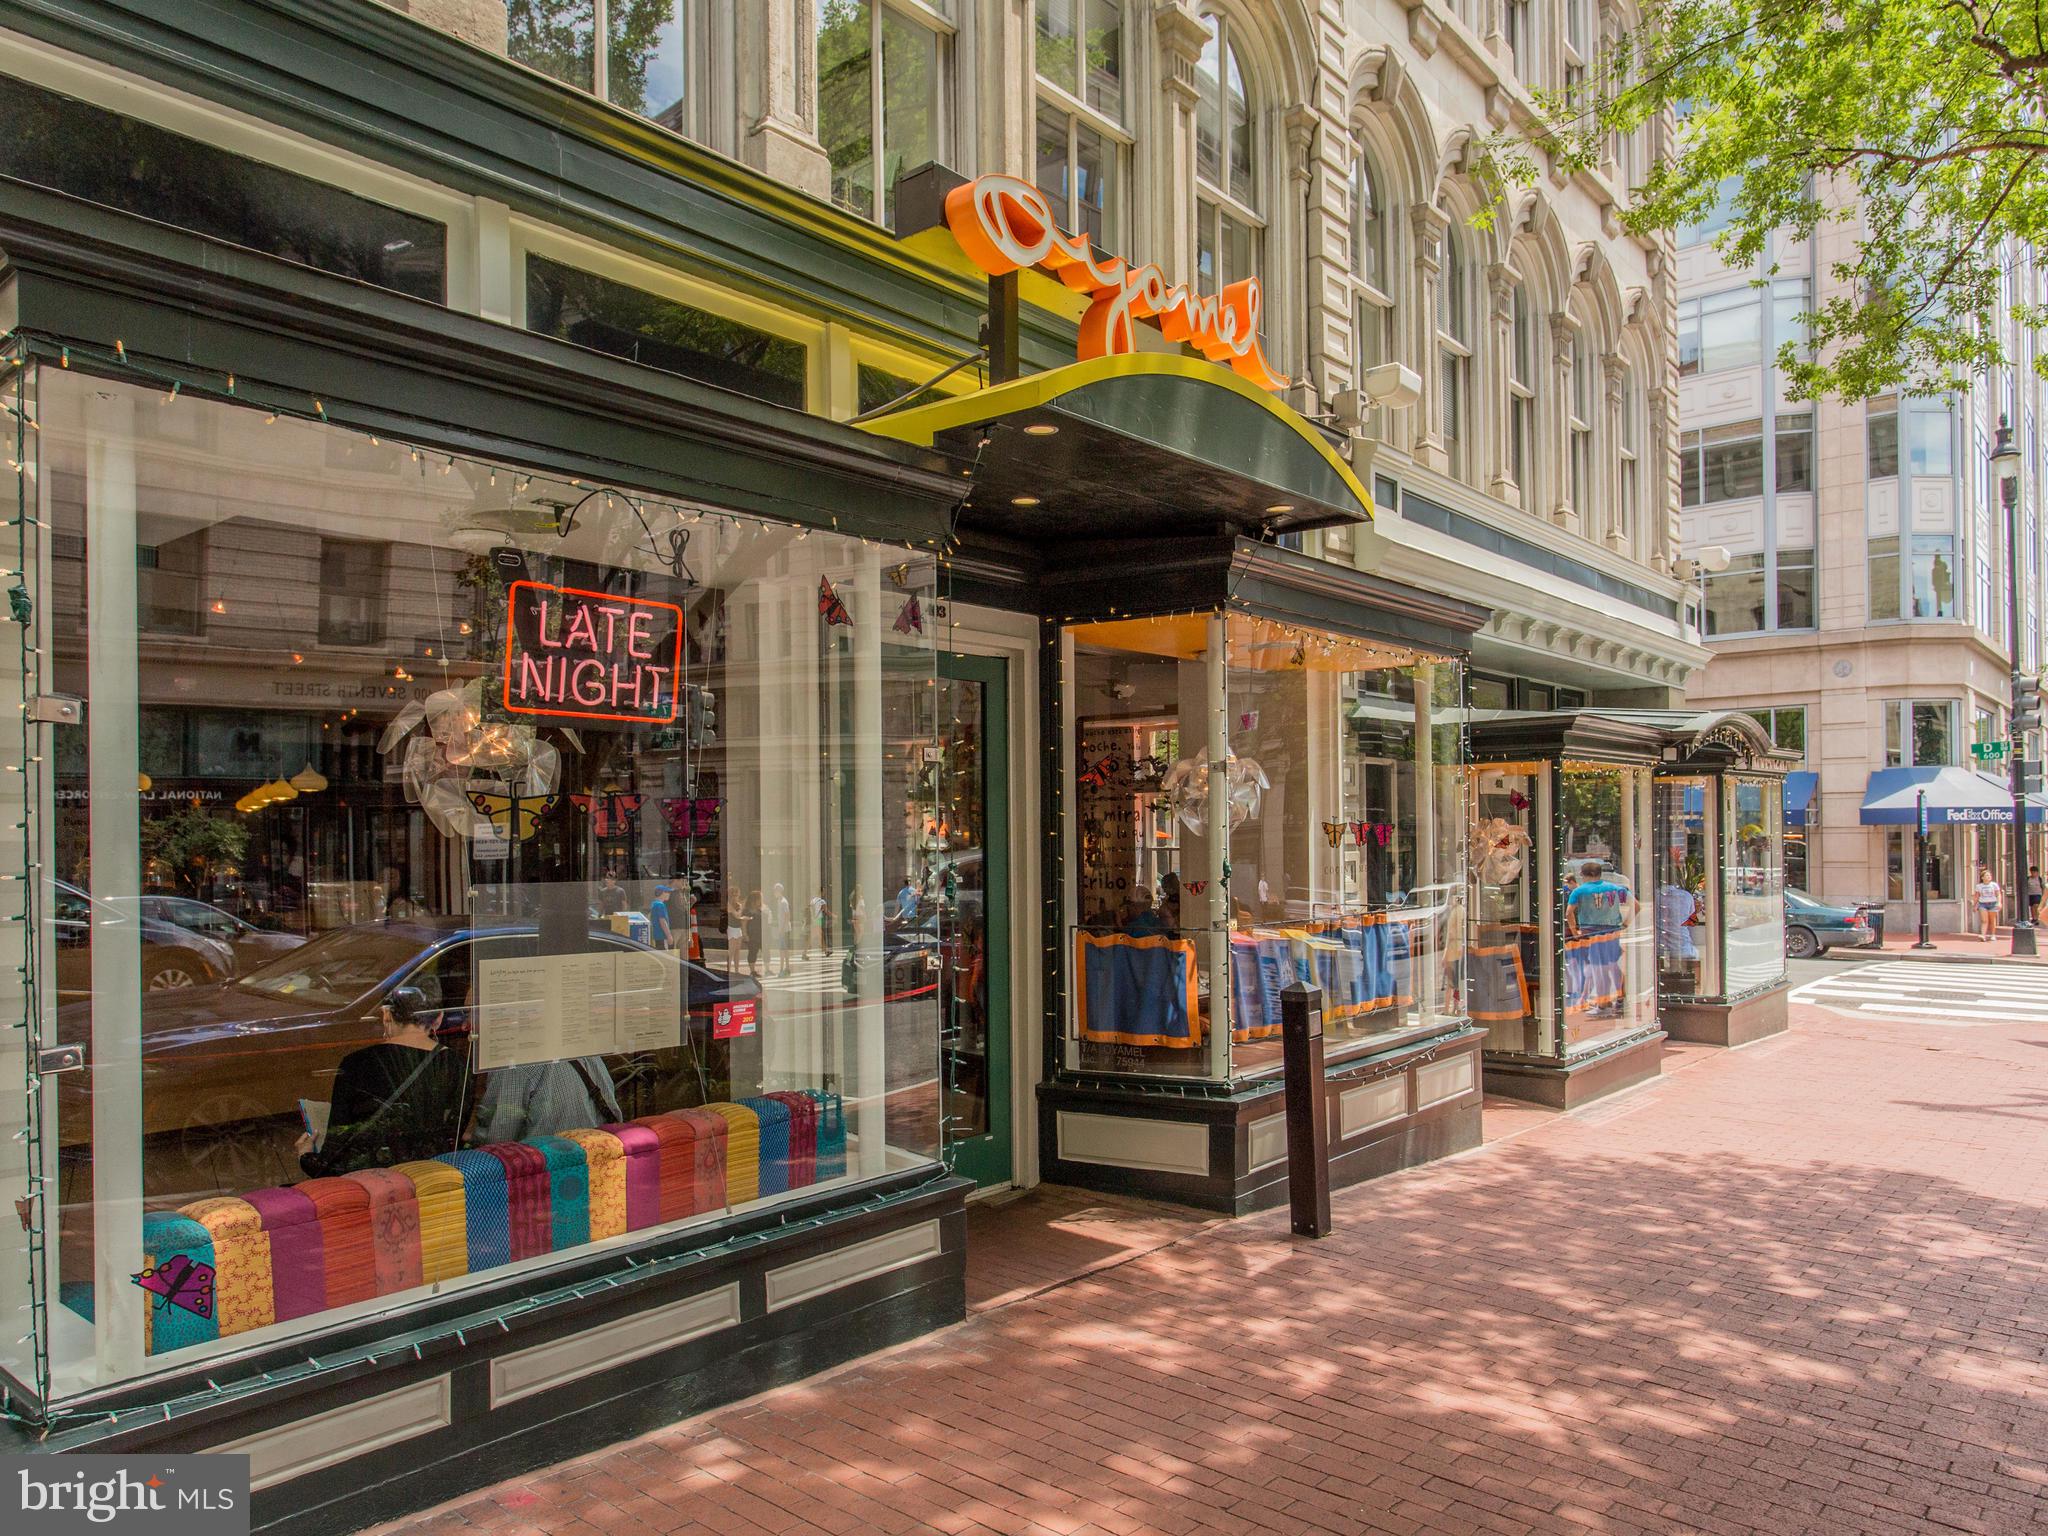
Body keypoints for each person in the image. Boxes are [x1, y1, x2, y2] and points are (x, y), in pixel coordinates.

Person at [297, 986, 468, 1177]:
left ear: (387, 1015)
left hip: (374, 1179)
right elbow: (454, 1133)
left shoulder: (356, 1063)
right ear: (438, 1019)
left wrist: (306, 1156)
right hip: (433, 1176)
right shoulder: (456, 1063)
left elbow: (334, 1153)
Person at [472, 1055, 621, 1144]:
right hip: (597, 1162)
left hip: (547, 1173)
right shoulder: (585, 1049)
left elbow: (497, 1142)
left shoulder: (514, 1063)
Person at [1565, 860, 1632, 935]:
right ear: (1600, 874)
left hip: (1588, 931)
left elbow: (1568, 913)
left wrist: (1574, 933)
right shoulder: (1615, 888)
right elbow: (1636, 906)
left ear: (1582, 874)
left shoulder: (1578, 891)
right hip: (1613, 930)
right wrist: (1625, 924)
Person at [769, 882, 795, 975]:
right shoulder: (779, 901)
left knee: (784, 949)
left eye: (775, 891)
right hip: (783, 928)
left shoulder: (784, 902)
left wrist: (782, 929)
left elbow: (787, 915)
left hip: (784, 929)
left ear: (779, 891)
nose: (774, 893)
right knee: (782, 949)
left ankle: (785, 968)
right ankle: (783, 968)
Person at [1976, 866, 2003, 940]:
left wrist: (1999, 902)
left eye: (1989, 875)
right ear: (1982, 877)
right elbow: (1977, 896)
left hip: (1993, 903)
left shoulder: (1994, 885)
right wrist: (1975, 905)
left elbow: (1998, 894)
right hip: (1982, 904)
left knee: (1992, 920)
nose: (1989, 877)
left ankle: (1993, 935)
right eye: (1987, 875)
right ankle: (1983, 935)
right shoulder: (1979, 886)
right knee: (1984, 920)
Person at [744, 888, 765, 977]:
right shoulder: (747, 911)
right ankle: (752, 971)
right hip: (752, 934)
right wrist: (745, 934)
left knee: (763, 951)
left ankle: (765, 969)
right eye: (760, 898)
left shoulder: (760, 910)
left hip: (760, 934)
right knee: (753, 951)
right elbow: (744, 923)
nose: (761, 900)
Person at [648, 882, 675, 948]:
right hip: (662, 936)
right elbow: (662, 921)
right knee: (664, 952)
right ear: (662, 893)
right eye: (667, 892)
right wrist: (669, 936)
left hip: (656, 935)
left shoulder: (654, 903)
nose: (669, 894)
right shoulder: (660, 905)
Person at [809, 887, 831, 957]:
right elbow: (826, 911)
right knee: (816, 936)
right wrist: (834, 916)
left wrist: (813, 917)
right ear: (821, 892)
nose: (824, 893)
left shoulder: (813, 900)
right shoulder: (822, 901)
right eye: (823, 891)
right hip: (818, 920)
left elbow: (810, 909)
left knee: (820, 935)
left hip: (814, 920)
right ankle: (804, 952)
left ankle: (826, 950)